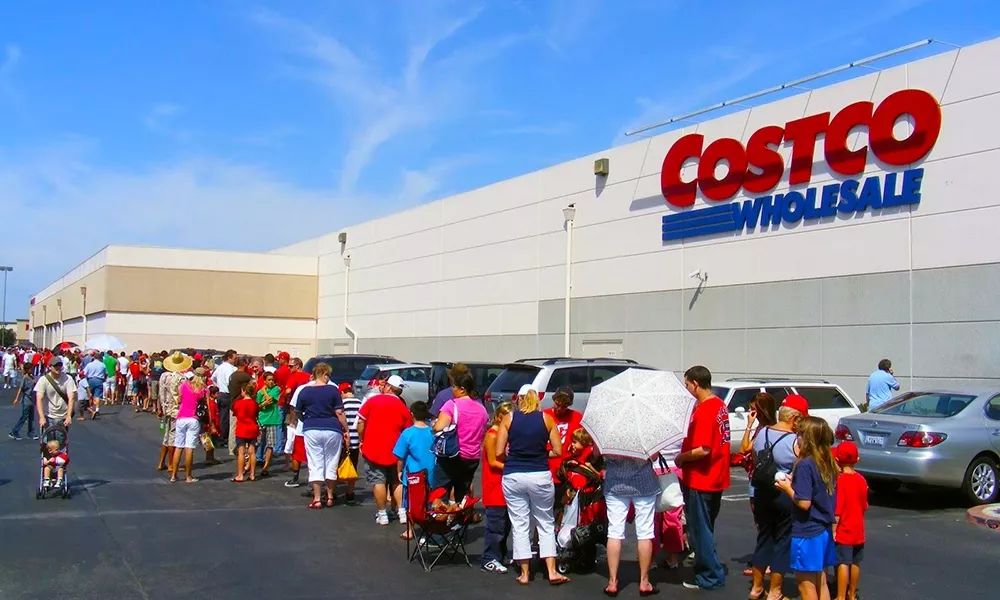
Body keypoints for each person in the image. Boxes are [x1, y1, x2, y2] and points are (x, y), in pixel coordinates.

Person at [494, 386, 569, 586]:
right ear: (537, 399)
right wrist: (540, 454)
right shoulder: (547, 419)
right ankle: (551, 571)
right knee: (545, 521)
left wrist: (514, 456)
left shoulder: (509, 419)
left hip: (514, 474)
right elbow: (558, 450)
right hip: (539, 474)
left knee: (520, 524)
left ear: (519, 399)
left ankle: (525, 572)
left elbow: (499, 452)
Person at [675, 365, 730, 591]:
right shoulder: (719, 405)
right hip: (715, 476)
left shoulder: (707, 410)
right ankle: (708, 569)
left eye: (687, 384)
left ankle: (709, 575)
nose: (686, 388)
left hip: (702, 478)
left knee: (700, 530)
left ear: (695, 384)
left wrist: (681, 458)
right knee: (705, 526)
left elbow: (703, 449)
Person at [774, 417, 838, 600]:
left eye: (800, 435)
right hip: (823, 529)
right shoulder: (827, 462)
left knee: (805, 585)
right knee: (821, 580)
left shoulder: (805, 464)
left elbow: (804, 502)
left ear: (807, 438)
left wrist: (787, 488)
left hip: (807, 531)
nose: (797, 438)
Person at [748, 394, 804, 600]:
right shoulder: (795, 441)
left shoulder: (762, 433)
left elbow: (755, 457)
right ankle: (775, 591)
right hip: (783, 493)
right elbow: (801, 467)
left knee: (764, 537)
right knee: (782, 541)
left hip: (761, 491)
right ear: (794, 418)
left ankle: (756, 587)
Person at [358, 374, 413, 525]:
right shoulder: (402, 407)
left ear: (388, 387)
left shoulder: (373, 401)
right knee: (397, 481)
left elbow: (361, 423)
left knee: (378, 481)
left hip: (373, 448)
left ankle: (382, 514)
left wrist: (362, 439)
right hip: (396, 450)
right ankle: (402, 512)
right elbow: (407, 431)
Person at [602, 453, 659, 597]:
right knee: (645, 532)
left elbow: (598, 453)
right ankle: (644, 581)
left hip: (615, 483)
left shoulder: (611, 436)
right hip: (643, 482)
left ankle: (612, 581)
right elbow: (654, 456)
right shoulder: (645, 436)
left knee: (614, 532)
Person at [295, 363, 349, 509]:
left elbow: (297, 411)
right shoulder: (332, 390)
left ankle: (317, 498)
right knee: (332, 462)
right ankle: (330, 496)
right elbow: (339, 412)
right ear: (325, 374)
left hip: (311, 428)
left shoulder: (305, 391)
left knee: (315, 463)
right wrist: (346, 430)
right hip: (332, 428)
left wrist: (306, 420)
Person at [432, 371, 488, 503]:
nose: (452, 390)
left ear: (462, 389)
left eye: (453, 386)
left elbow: (438, 427)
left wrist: (434, 425)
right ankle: (460, 514)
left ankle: (440, 514)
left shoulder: (452, 405)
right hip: (472, 457)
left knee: (441, 490)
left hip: (453, 455)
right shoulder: (482, 409)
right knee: (462, 492)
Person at [393, 400, 436, 539]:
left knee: (410, 504)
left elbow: (400, 456)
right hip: (431, 473)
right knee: (428, 502)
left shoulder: (408, 433)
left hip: (413, 475)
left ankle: (410, 530)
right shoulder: (432, 432)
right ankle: (428, 529)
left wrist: (399, 471)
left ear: (412, 414)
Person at [833, 441, 868, 600]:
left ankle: (840, 596)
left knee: (842, 562)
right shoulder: (861, 480)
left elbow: (838, 509)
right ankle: (852, 594)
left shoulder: (840, 481)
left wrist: (834, 530)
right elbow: (864, 505)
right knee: (855, 562)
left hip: (844, 528)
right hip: (858, 527)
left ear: (837, 460)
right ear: (857, 459)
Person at [481, 402, 513, 574]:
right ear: (500, 417)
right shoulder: (492, 435)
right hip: (494, 487)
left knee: (505, 524)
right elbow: (493, 462)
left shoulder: (502, 434)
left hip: (504, 485)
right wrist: (513, 467)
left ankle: (500, 555)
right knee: (496, 526)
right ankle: (489, 558)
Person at [170, 368, 207, 483]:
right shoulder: (201, 389)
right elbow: (204, 403)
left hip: (181, 417)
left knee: (178, 446)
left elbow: (179, 400)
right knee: (189, 448)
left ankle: (173, 475)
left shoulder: (184, 386)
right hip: (193, 418)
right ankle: (188, 476)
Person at [157, 352, 188, 471]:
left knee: (167, 435)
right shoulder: (180, 378)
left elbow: (161, 393)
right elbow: (182, 395)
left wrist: (160, 407)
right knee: (173, 437)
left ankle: (161, 462)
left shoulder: (164, 376)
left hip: (166, 407)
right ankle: (171, 464)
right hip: (176, 409)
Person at [543, 386, 583, 478]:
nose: (559, 409)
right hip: (545, 466)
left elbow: (584, 443)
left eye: (564, 406)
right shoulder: (544, 415)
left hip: (566, 468)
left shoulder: (576, 417)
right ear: (554, 400)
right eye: (557, 404)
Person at [35, 356, 76, 431]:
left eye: (60, 365)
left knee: (61, 438)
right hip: (48, 415)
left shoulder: (68, 379)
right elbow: (39, 399)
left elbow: (71, 398)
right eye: (55, 365)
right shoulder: (43, 380)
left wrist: (69, 416)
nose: (58, 367)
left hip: (62, 417)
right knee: (47, 438)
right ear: (50, 367)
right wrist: (41, 417)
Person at [337, 382, 362, 505]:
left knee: (337, 466)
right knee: (353, 467)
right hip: (356, 441)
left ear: (342, 392)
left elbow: (339, 421)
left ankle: (333, 492)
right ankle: (350, 493)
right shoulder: (360, 403)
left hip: (343, 440)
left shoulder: (342, 405)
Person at [232, 381, 260, 482]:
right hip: (252, 428)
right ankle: (252, 474)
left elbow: (235, 413)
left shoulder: (238, 403)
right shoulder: (254, 403)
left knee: (241, 452)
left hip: (242, 428)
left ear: (244, 391)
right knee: (252, 452)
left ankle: (240, 475)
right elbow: (256, 413)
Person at [255, 371, 282, 476]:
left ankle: (266, 467)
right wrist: (263, 403)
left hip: (272, 420)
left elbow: (270, 400)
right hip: (262, 419)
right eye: (269, 380)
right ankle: (255, 461)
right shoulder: (259, 392)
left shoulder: (276, 389)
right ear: (265, 381)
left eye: (272, 380)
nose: (271, 382)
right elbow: (257, 405)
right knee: (258, 442)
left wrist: (264, 392)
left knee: (270, 444)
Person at [211, 350, 237, 449]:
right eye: (234, 358)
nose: (235, 360)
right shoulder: (229, 368)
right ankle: (224, 438)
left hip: (221, 393)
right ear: (229, 358)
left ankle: (221, 436)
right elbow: (229, 381)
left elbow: (213, 377)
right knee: (226, 418)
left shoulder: (220, 367)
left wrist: (218, 385)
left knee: (222, 417)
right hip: (227, 394)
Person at [227, 358, 253, 455]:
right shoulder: (244, 376)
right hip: (240, 403)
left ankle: (231, 448)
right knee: (240, 426)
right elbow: (252, 384)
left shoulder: (232, 375)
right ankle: (238, 448)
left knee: (232, 426)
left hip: (232, 402)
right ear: (244, 364)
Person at [9, 363, 38, 440]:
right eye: (30, 369)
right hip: (26, 399)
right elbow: (20, 389)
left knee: (31, 417)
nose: (32, 370)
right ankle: (14, 432)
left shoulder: (32, 377)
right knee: (24, 417)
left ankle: (31, 433)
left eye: (32, 368)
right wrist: (16, 399)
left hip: (32, 400)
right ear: (27, 370)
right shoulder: (25, 378)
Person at [82, 351, 106, 419]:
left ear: (94, 358)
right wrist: (104, 379)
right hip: (99, 380)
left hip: (90, 380)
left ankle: (91, 408)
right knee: (97, 395)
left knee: (90, 395)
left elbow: (84, 372)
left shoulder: (89, 365)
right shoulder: (102, 365)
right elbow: (106, 373)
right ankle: (97, 409)